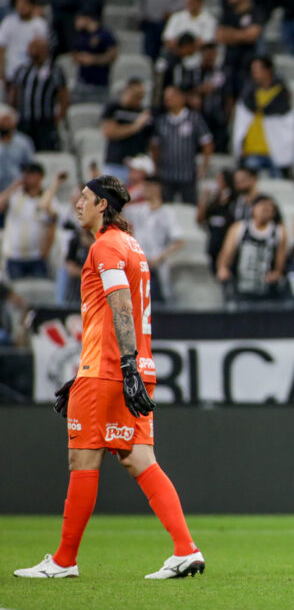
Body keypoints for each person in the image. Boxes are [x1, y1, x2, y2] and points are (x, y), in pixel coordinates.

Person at [14, 175, 204, 581]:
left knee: (82, 458)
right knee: (139, 459)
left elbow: (120, 304)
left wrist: (125, 365)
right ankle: (186, 549)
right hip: (127, 368)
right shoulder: (132, 245)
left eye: (83, 198)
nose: (76, 204)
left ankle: (64, 561)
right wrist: (132, 366)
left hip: (110, 370)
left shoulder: (105, 246)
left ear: (103, 205)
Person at [232, 56, 294, 178]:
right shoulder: (248, 95)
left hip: (275, 151)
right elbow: (241, 123)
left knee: (279, 188)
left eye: (257, 69)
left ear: (268, 70)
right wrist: (240, 144)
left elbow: (287, 123)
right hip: (252, 150)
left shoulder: (282, 94)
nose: (254, 73)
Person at [216, 194, 287, 302]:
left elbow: (280, 265)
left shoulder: (279, 232)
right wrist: (223, 268)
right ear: (253, 208)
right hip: (241, 285)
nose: (265, 209)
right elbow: (226, 254)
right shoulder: (239, 228)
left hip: (266, 287)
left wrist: (276, 274)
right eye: (262, 205)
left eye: (270, 207)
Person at [124, 177, 183, 303]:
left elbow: (179, 242)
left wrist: (159, 257)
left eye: (149, 186)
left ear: (157, 188)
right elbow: (115, 208)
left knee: (159, 302)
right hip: (138, 264)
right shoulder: (138, 210)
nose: (146, 189)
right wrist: (133, 194)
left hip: (156, 265)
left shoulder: (167, 212)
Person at [151, 85, 212, 204]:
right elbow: (155, 146)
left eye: (171, 97)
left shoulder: (194, 118)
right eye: (166, 98)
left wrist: (205, 165)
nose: (168, 100)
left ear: (181, 98)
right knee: (165, 208)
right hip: (166, 175)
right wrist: (156, 166)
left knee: (190, 208)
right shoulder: (161, 121)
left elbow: (207, 142)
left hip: (188, 174)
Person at [0, 163, 60, 279]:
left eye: (30, 174)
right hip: (14, 256)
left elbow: (53, 224)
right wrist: (12, 188)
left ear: (39, 177)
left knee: (40, 293)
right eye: (25, 174)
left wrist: (45, 252)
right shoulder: (15, 195)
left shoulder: (48, 198)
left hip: (37, 257)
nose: (25, 177)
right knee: (16, 292)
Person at [8, 37, 68, 151]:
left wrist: (59, 117)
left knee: (45, 152)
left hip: (45, 122)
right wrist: (14, 110)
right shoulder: (22, 70)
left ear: (45, 50)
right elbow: (14, 92)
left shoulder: (55, 70)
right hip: (24, 121)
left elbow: (63, 96)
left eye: (36, 47)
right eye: (31, 47)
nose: (32, 51)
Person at [100, 80, 152, 183]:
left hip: (137, 167)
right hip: (115, 164)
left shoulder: (143, 112)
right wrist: (136, 126)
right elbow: (109, 132)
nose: (139, 99)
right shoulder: (113, 108)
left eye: (142, 96)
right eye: (136, 95)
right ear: (127, 91)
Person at [0, 0, 49, 85]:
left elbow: (43, 51)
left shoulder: (40, 24)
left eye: (25, 3)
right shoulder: (8, 23)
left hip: (31, 74)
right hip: (12, 72)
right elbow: (1, 49)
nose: (21, 7)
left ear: (32, 6)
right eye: (18, 4)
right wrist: (1, 72)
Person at [70, 13, 118, 104]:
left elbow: (113, 55)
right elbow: (73, 56)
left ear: (87, 18)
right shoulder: (81, 35)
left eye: (78, 19)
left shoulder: (105, 34)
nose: (76, 23)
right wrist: (80, 57)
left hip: (100, 84)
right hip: (82, 82)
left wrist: (93, 59)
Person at [196, 169, 235, 273]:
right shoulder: (213, 202)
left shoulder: (234, 200)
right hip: (214, 242)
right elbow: (200, 219)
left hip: (227, 243)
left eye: (219, 180)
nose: (216, 183)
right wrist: (204, 198)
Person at [0, 106, 35, 195]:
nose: (4, 124)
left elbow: (30, 166)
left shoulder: (24, 142)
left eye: (6, 120)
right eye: (1, 121)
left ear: (14, 122)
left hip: (17, 188)